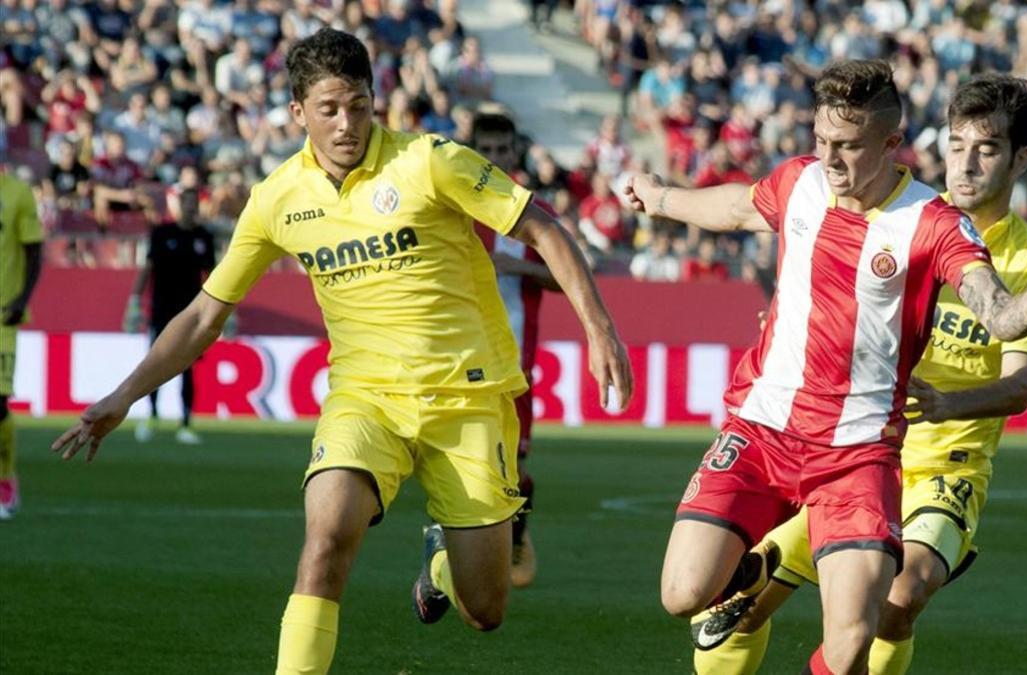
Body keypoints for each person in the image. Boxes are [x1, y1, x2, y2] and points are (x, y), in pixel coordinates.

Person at [52, 28, 632, 675]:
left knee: (485, 608)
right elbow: (204, 314)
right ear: (298, 112)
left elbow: (542, 225)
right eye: (328, 109)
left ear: (374, 100)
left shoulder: (430, 161)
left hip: (466, 397)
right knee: (326, 534)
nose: (346, 123)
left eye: (358, 104)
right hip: (366, 400)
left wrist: (599, 329)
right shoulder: (277, 198)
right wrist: (123, 394)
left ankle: (443, 558)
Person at [625, 59, 1027, 675]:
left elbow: (1009, 345)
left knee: (887, 609)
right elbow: (744, 210)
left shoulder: (959, 235)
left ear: (1020, 159)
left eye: (986, 150)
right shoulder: (815, 187)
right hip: (782, 431)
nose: (967, 163)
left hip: (906, 457)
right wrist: (661, 197)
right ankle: (752, 572)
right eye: (957, 146)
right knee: (700, 601)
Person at [469, 111, 563, 588]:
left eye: (503, 150)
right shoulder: (455, 207)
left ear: (514, 153)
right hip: (459, 355)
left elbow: (564, 278)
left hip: (514, 360)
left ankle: (517, 526)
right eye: (486, 149)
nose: (495, 158)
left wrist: (515, 266)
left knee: (514, 464)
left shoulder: (534, 212)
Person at [126, 188, 216, 445]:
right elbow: (148, 268)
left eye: (193, 203)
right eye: (186, 203)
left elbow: (214, 276)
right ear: (178, 206)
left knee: (187, 367)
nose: (190, 208)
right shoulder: (162, 233)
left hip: (191, 313)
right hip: (162, 310)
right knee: (156, 362)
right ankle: (152, 415)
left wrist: (225, 309)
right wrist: (134, 302)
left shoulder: (203, 237)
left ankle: (186, 422)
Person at [0, 172, 44, 521]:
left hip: (3, 316)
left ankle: (5, 478)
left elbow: (34, 251)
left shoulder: (17, 194)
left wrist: (22, 299)